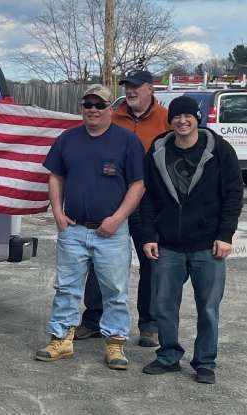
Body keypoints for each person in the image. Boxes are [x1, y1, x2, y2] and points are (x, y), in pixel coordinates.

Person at [34, 85, 145, 370]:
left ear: (111, 109)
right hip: (73, 230)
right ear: (82, 107)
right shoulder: (67, 139)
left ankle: (115, 344)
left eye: (99, 104)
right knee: (67, 288)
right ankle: (61, 339)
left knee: (115, 290)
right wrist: (57, 212)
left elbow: (138, 185)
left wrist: (117, 219)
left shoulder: (127, 141)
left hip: (112, 232)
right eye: (88, 104)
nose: (93, 109)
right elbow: (56, 176)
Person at [139, 96, 244, 384]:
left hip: (207, 245)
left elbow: (234, 194)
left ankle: (205, 362)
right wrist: (149, 235)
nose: (182, 121)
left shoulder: (219, 150)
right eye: (176, 116)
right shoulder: (158, 150)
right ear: (170, 120)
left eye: (188, 116)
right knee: (163, 305)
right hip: (168, 244)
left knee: (208, 308)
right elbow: (147, 197)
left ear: (198, 118)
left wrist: (225, 235)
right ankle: (168, 356)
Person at [77, 69, 169, 347]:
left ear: (150, 89)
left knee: (151, 261)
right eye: (127, 86)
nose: (130, 91)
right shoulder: (111, 115)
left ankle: (149, 325)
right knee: (99, 262)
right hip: (112, 203)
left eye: (136, 87)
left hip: (148, 203)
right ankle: (94, 319)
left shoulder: (166, 120)